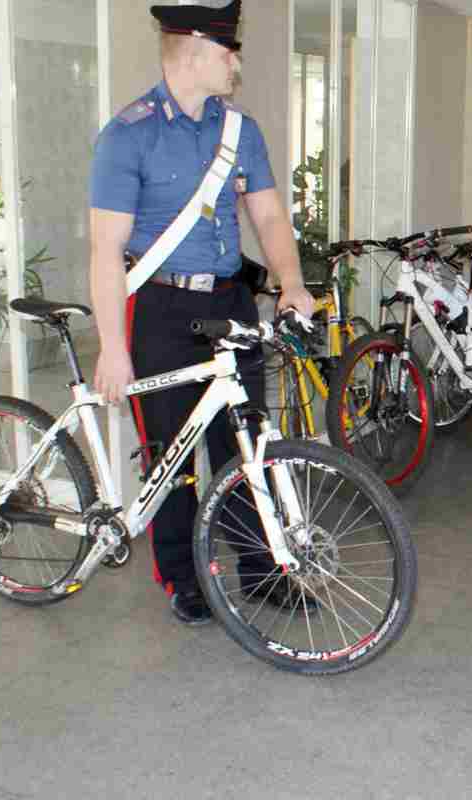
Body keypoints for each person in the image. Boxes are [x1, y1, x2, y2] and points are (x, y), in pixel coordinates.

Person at [88, 0, 315, 625]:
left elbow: (268, 214)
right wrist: (112, 345)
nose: (236, 62)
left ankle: (260, 569)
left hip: (229, 303)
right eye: (227, 50)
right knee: (172, 453)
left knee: (246, 445)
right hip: (158, 307)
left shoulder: (241, 132)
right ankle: (182, 577)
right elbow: (106, 252)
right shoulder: (128, 135)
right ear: (192, 50)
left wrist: (290, 282)